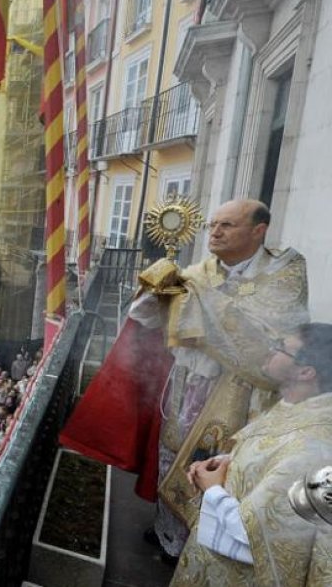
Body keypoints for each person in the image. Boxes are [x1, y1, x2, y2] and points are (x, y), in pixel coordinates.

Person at [60, 199, 309, 561]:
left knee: (220, 465)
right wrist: (155, 295)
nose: (216, 232)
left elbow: (273, 339)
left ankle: (202, 540)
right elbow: (149, 321)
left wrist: (198, 303)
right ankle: (169, 532)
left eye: (227, 225)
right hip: (187, 385)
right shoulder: (200, 272)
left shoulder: (285, 270)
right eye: (212, 225)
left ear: (259, 230)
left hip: (244, 393)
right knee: (172, 455)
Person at [172, 323, 332, 585]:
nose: (270, 350)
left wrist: (212, 490)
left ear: (306, 372)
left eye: (281, 347)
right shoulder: (302, 409)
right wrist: (230, 463)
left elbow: (259, 534)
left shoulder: (313, 447)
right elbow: (272, 458)